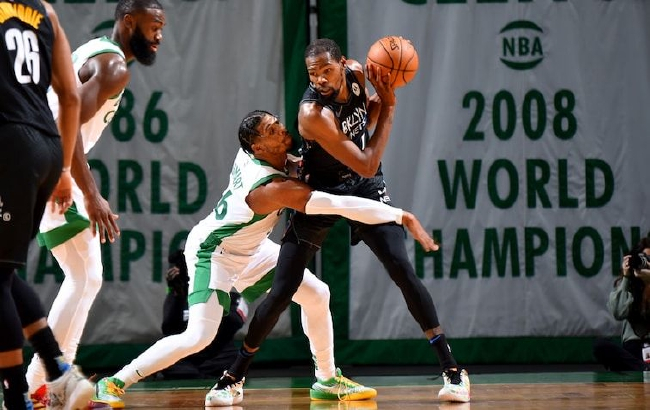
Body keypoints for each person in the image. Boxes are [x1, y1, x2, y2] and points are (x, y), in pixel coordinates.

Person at [89, 110, 438, 408]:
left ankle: (327, 379)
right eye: (272, 130)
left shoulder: (262, 154)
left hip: (251, 248)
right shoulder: (270, 188)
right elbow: (337, 205)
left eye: (277, 123)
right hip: (214, 252)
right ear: (257, 147)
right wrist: (399, 215)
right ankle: (115, 382)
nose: (281, 130)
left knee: (317, 294)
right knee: (199, 335)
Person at [215, 38, 470, 404]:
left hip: (364, 187)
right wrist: (391, 105)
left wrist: (381, 101)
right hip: (320, 193)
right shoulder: (312, 114)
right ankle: (232, 378)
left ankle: (453, 371)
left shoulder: (357, 74)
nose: (319, 79)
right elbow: (366, 161)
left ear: (342, 64)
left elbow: (365, 122)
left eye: (327, 70)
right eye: (312, 73)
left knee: (401, 268)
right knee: (284, 288)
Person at [25, 0, 166, 405]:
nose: (158, 36)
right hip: (53, 166)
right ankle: (45, 383)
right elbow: (63, 127)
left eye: (162, 29)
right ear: (129, 22)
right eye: (153, 27)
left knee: (84, 277)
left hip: (40, 161)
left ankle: (48, 384)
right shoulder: (114, 66)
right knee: (86, 277)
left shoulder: (95, 50)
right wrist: (89, 192)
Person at [0, 1, 97, 409]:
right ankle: (59, 372)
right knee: (4, 271)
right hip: (47, 148)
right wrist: (63, 170)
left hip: (9, 142)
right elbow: (70, 96)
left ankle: (18, 396)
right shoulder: (46, 10)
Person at [158, 249, 247, 380]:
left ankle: (200, 377)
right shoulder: (178, 297)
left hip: (219, 355)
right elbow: (168, 329)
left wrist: (212, 293)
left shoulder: (232, 297)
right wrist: (177, 294)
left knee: (236, 359)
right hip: (186, 357)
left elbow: (234, 323)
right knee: (163, 356)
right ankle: (198, 377)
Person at [593, 237, 650, 371]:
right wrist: (626, 278)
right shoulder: (628, 285)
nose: (646, 262)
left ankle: (639, 369)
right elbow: (619, 312)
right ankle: (644, 369)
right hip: (632, 349)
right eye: (644, 258)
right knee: (600, 346)